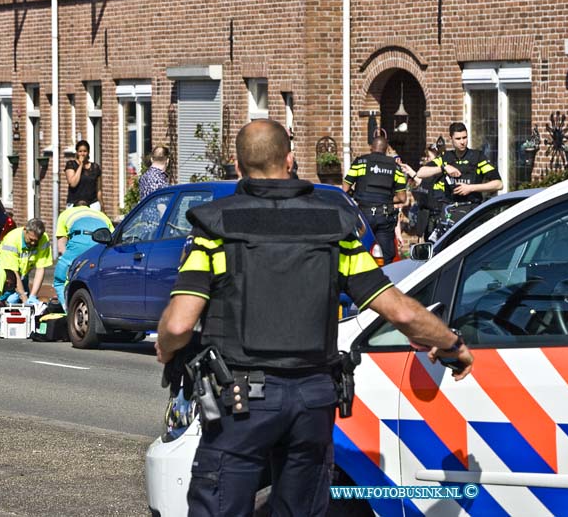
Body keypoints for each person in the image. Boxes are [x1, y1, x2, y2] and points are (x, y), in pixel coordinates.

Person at [155, 119, 474, 517]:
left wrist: (166, 352)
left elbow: (178, 325)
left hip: (240, 401)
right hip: (313, 401)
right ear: (289, 162)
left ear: (238, 168)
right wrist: (452, 344)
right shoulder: (332, 228)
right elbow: (399, 309)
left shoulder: (216, 229)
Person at [416, 122, 502, 233]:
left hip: (472, 210)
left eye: (465, 137)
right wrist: (443, 168)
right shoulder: (445, 157)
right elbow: (420, 173)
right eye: (458, 138)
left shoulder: (477, 157)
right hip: (450, 210)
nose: (462, 142)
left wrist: (471, 188)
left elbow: (498, 184)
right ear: (451, 138)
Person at [342, 136, 407, 264]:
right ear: (386, 149)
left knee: (360, 251)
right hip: (384, 216)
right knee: (385, 256)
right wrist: (387, 199)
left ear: (371, 148)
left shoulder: (360, 162)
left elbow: (344, 189)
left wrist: (356, 194)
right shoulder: (395, 167)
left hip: (363, 216)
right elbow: (402, 198)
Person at [53, 201, 114, 308]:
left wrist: (68, 264)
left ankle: (66, 309)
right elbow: (113, 237)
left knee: (60, 280)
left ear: (73, 206)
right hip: (100, 244)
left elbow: (61, 246)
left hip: (79, 242)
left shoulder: (66, 213)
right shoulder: (101, 215)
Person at [0, 218, 52, 305]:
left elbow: (40, 268)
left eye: (35, 241)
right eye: (30, 239)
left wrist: (33, 296)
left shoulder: (43, 239)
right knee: (0, 301)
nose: (33, 243)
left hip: (22, 273)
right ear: (25, 230)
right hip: (4, 272)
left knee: (26, 300)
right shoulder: (11, 240)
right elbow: (13, 273)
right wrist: (24, 298)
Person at [65, 140, 104, 211]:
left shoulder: (95, 167)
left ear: (88, 152)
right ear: (77, 152)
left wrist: (102, 206)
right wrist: (81, 165)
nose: (82, 154)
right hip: (74, 203)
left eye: (85, 151)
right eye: (80, 151)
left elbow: (98, 189)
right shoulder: (71, 164)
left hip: (93, 204)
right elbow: (73, 183)